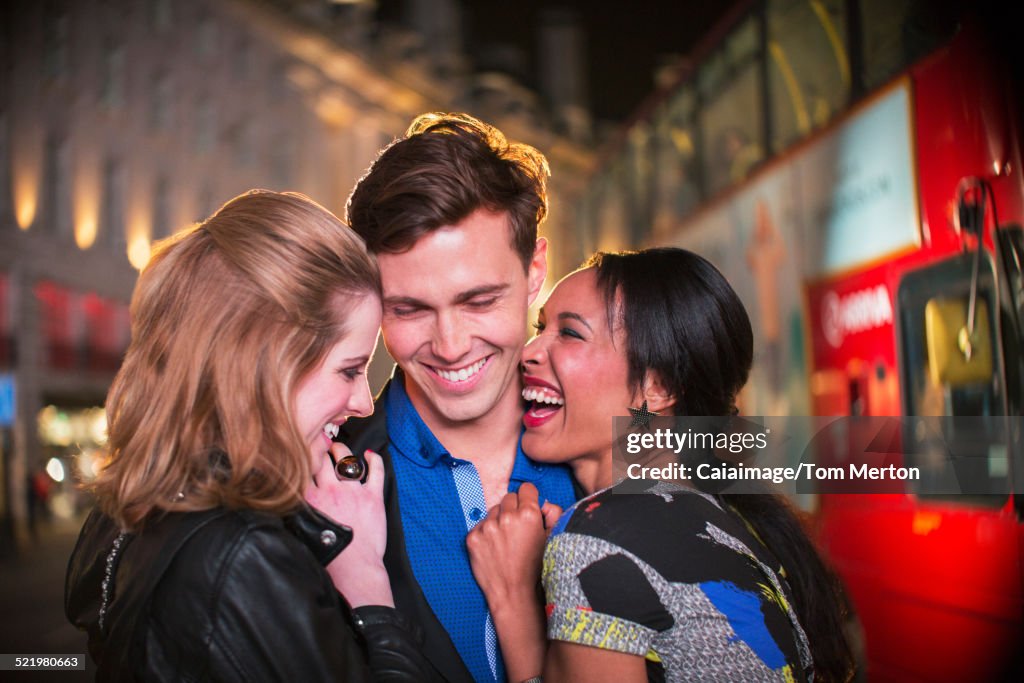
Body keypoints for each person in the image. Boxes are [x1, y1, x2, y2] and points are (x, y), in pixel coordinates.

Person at [65, 191, 431, 681]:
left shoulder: (128, 512)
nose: (364, 403)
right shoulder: (243, 555)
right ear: (263, 364)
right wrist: (366, 586)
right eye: (348, 370)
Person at [467, 248, 855, 682]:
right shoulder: (729, 521)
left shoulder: (598, 536)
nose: (529, 351)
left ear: (657, 387)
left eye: (570, 334)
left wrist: (513, 597)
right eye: (540, 328)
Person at [342, 112, 577, 683]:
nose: (449, 346)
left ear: (536, 271)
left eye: (479, 301)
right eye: (409, 309)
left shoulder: (624, 447)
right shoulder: (323, 480)